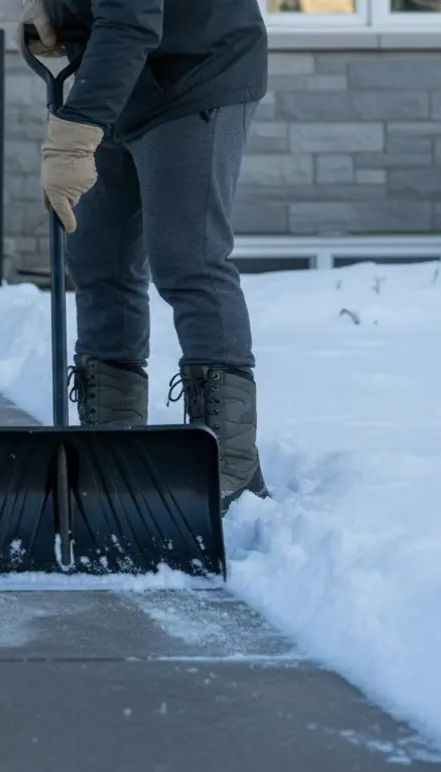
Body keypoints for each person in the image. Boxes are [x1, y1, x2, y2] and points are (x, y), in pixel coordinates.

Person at [19, 0, 271, 511]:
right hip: (119, 77)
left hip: (195, 70)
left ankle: (231, 464)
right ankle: (110, 449)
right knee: (97, 261)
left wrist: (73, 138)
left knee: (187, 258)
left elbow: (132, 16)